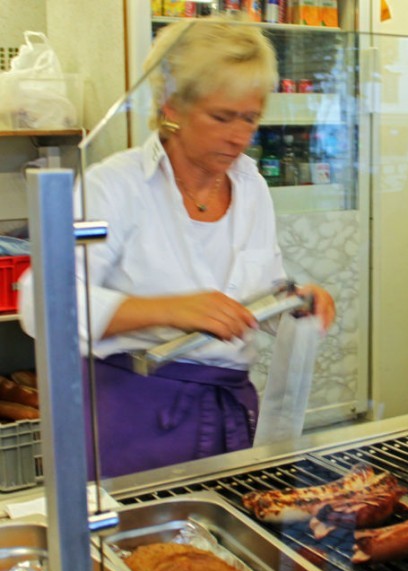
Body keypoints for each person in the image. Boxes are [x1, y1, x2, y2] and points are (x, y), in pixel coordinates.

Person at [19, 18, 335, 478]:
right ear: (173, 106)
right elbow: (40, 302)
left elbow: (257, 290)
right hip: (132, 417)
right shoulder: (116, 185)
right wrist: (168, 309)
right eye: (221, 117)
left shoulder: (251, 185)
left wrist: (292, 302)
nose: (239, 136)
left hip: (229, 412)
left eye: (250, 118)